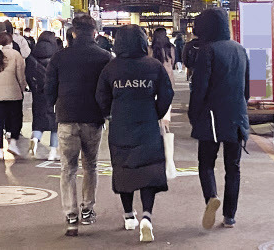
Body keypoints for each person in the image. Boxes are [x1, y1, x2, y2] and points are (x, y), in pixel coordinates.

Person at [96, 25, 174, 242]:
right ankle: (147, 216)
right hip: (147, 123)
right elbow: (167, 93)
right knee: (148, 170)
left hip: (121, 124)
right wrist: (156, 113)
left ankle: (129, 216)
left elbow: (101, 96)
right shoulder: (153, 66)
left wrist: (110, 115)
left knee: (124, 169)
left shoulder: (111, 69)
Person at [45, 14, 113, 237]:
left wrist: (55, 106)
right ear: (94, 32)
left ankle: (70, 214)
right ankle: (87, 209)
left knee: (68, 168)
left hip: (66, 117)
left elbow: (49, 89)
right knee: (90, 165)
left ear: (73, 32)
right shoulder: (104, 57)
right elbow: (108, 90)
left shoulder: (59, 57)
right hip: (93, 118)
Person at [188, 8, 250, 230]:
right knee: (233, 168)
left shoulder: (207, 50)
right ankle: (230, 216)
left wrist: (193, 115)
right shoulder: (241, 50)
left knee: (206, 164)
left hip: (211, 117)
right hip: (237, 117)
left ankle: (211, 198)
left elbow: (200, 88)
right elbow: (247, 90)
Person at [0, 32, 27, 160]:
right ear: (11, 42)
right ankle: (13, 142)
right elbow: (20, 74)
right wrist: (22, 87)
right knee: (15, 119)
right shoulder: (15, 55)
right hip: (13, 94)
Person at [26, 31, 60, 160]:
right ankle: (52, 152)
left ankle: (35, 138)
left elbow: (28, 74)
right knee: (54, 125)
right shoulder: (56, 55)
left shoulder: (33, 55)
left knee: (39, 121)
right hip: (53, 94)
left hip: (38, 93)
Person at [150, 27, 175, 128]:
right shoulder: (170, 48)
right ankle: (165, 125)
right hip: (168, 77)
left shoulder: (150, 49)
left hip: (153, 78)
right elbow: (173, 62)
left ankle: (156, 122)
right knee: (166, 102)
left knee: (154, 102)